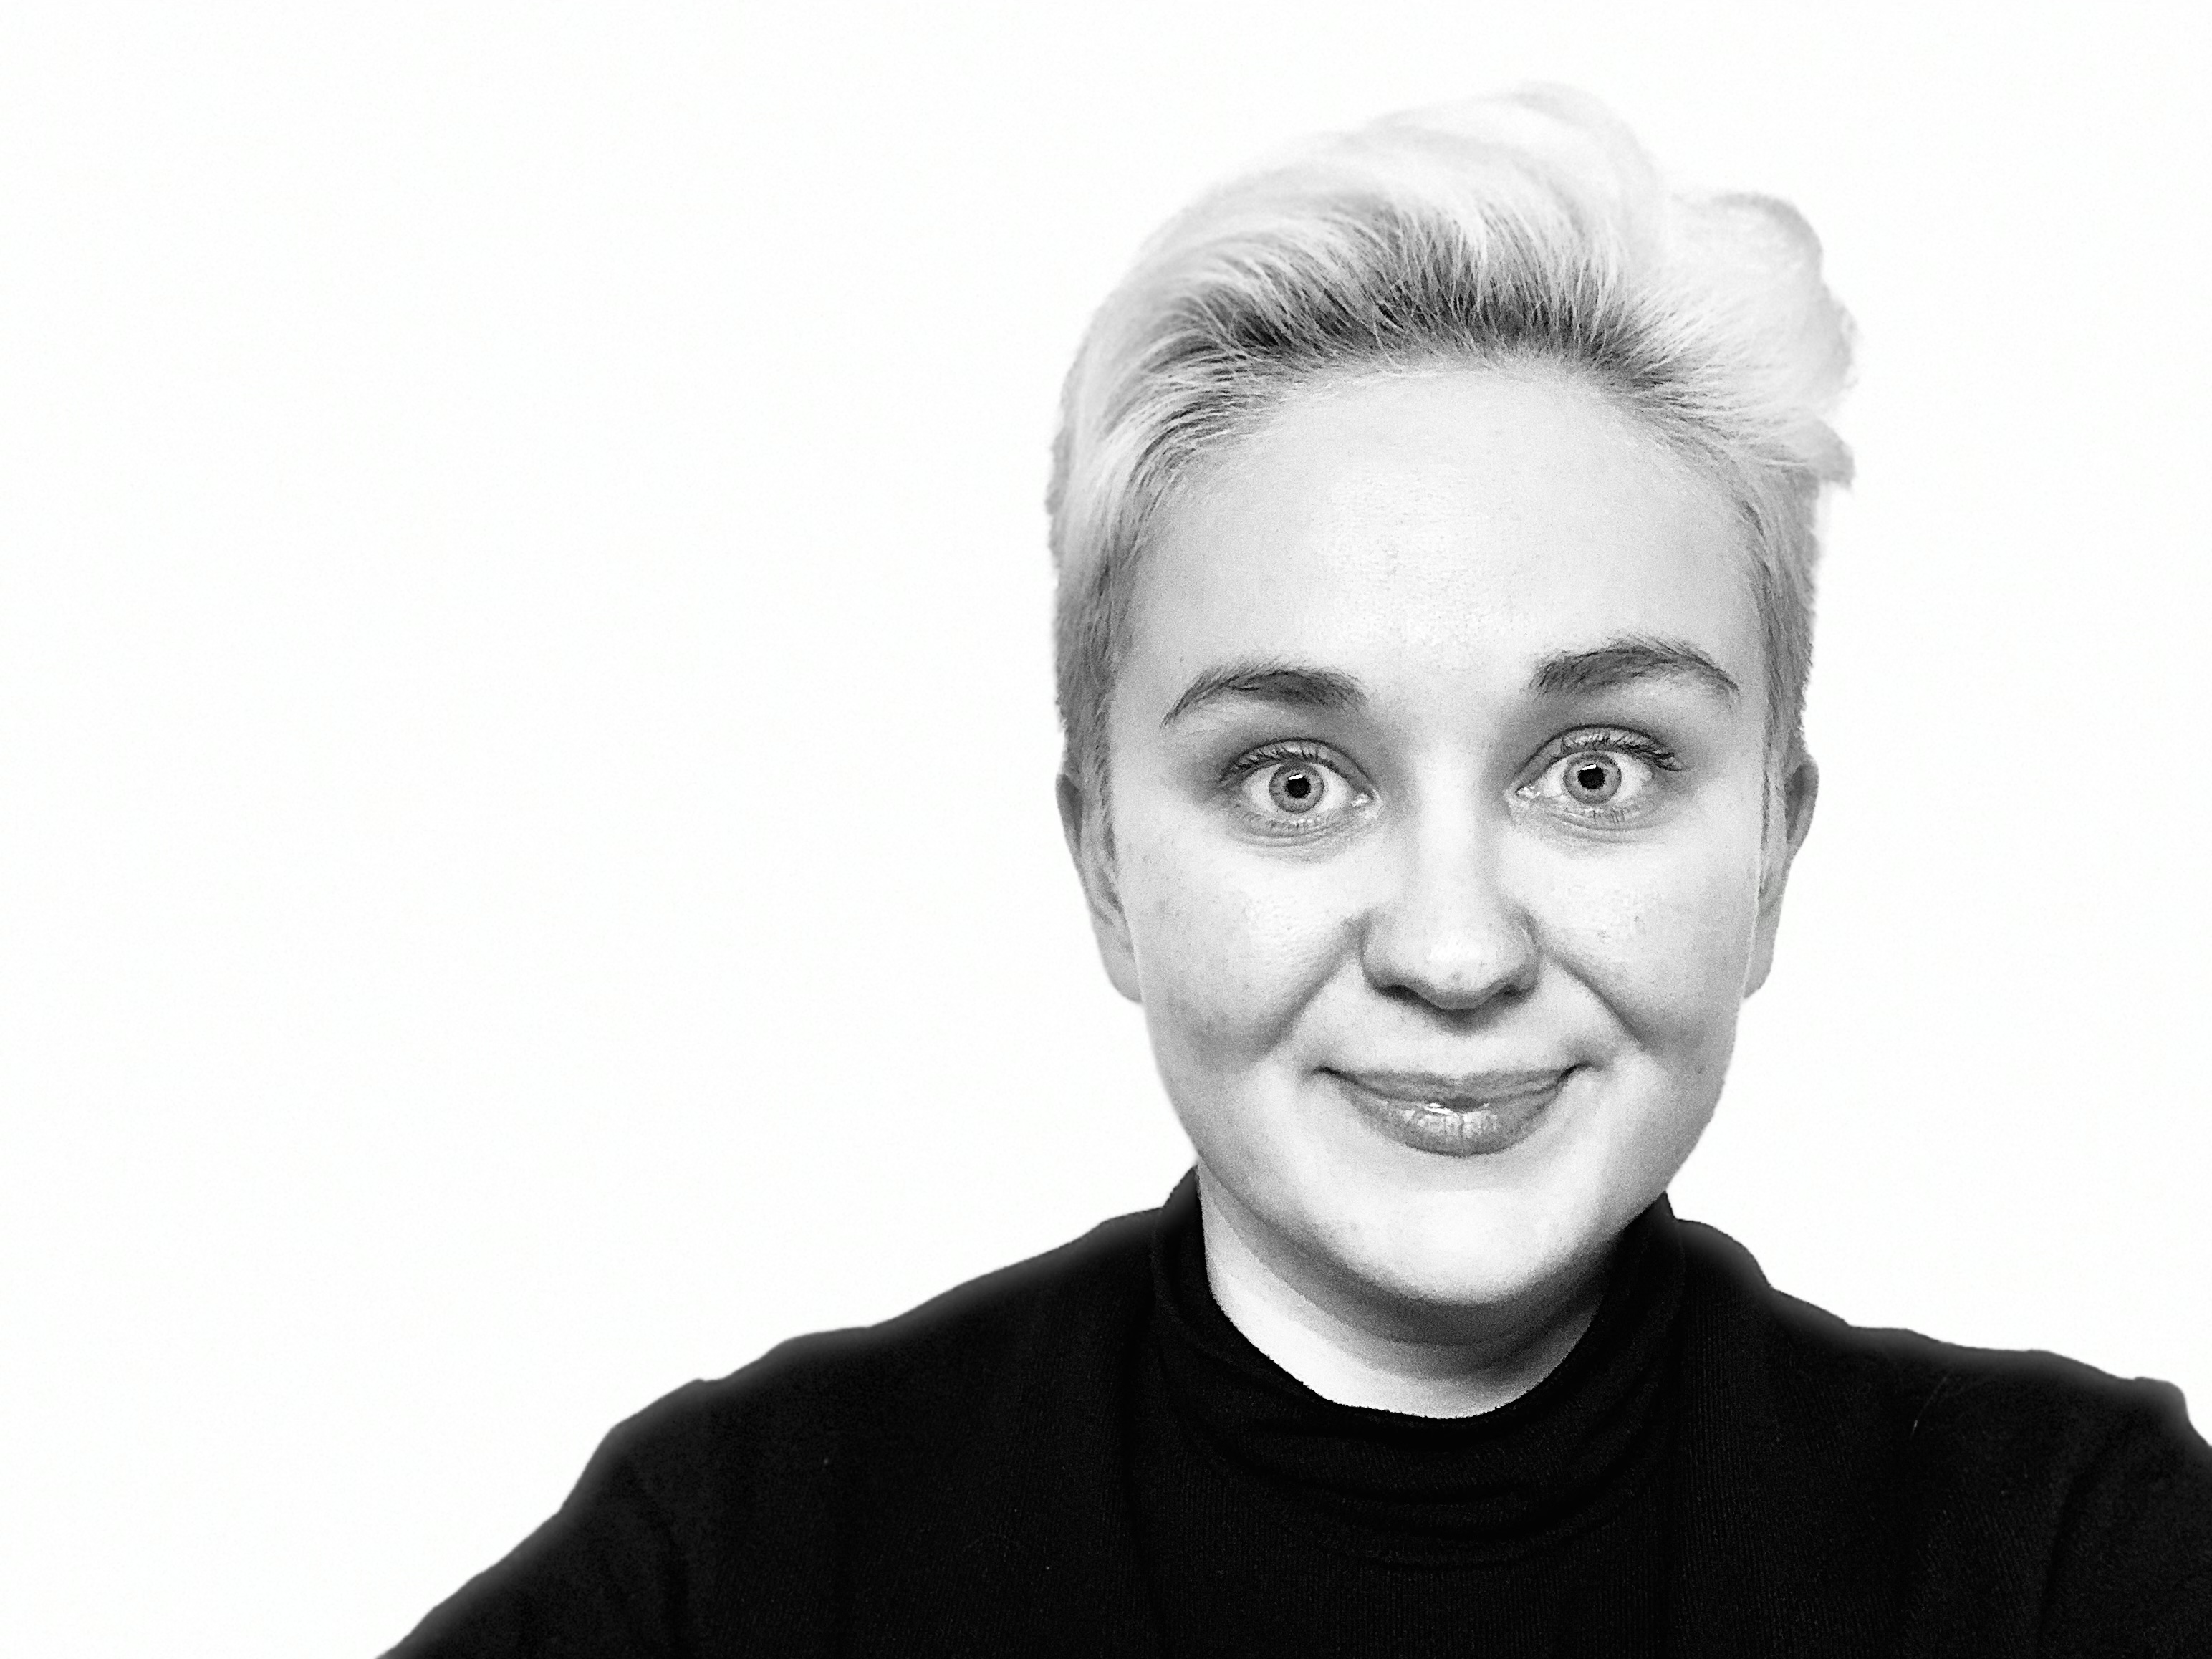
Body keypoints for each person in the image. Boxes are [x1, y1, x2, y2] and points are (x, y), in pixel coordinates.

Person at [388, 88, 2212, 1656]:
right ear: (1105, 864)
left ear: (1771, 850)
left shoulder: (2069, 1560)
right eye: (1292, 781)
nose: (1453, 948)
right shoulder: (741, 1567)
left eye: (1594, 771)